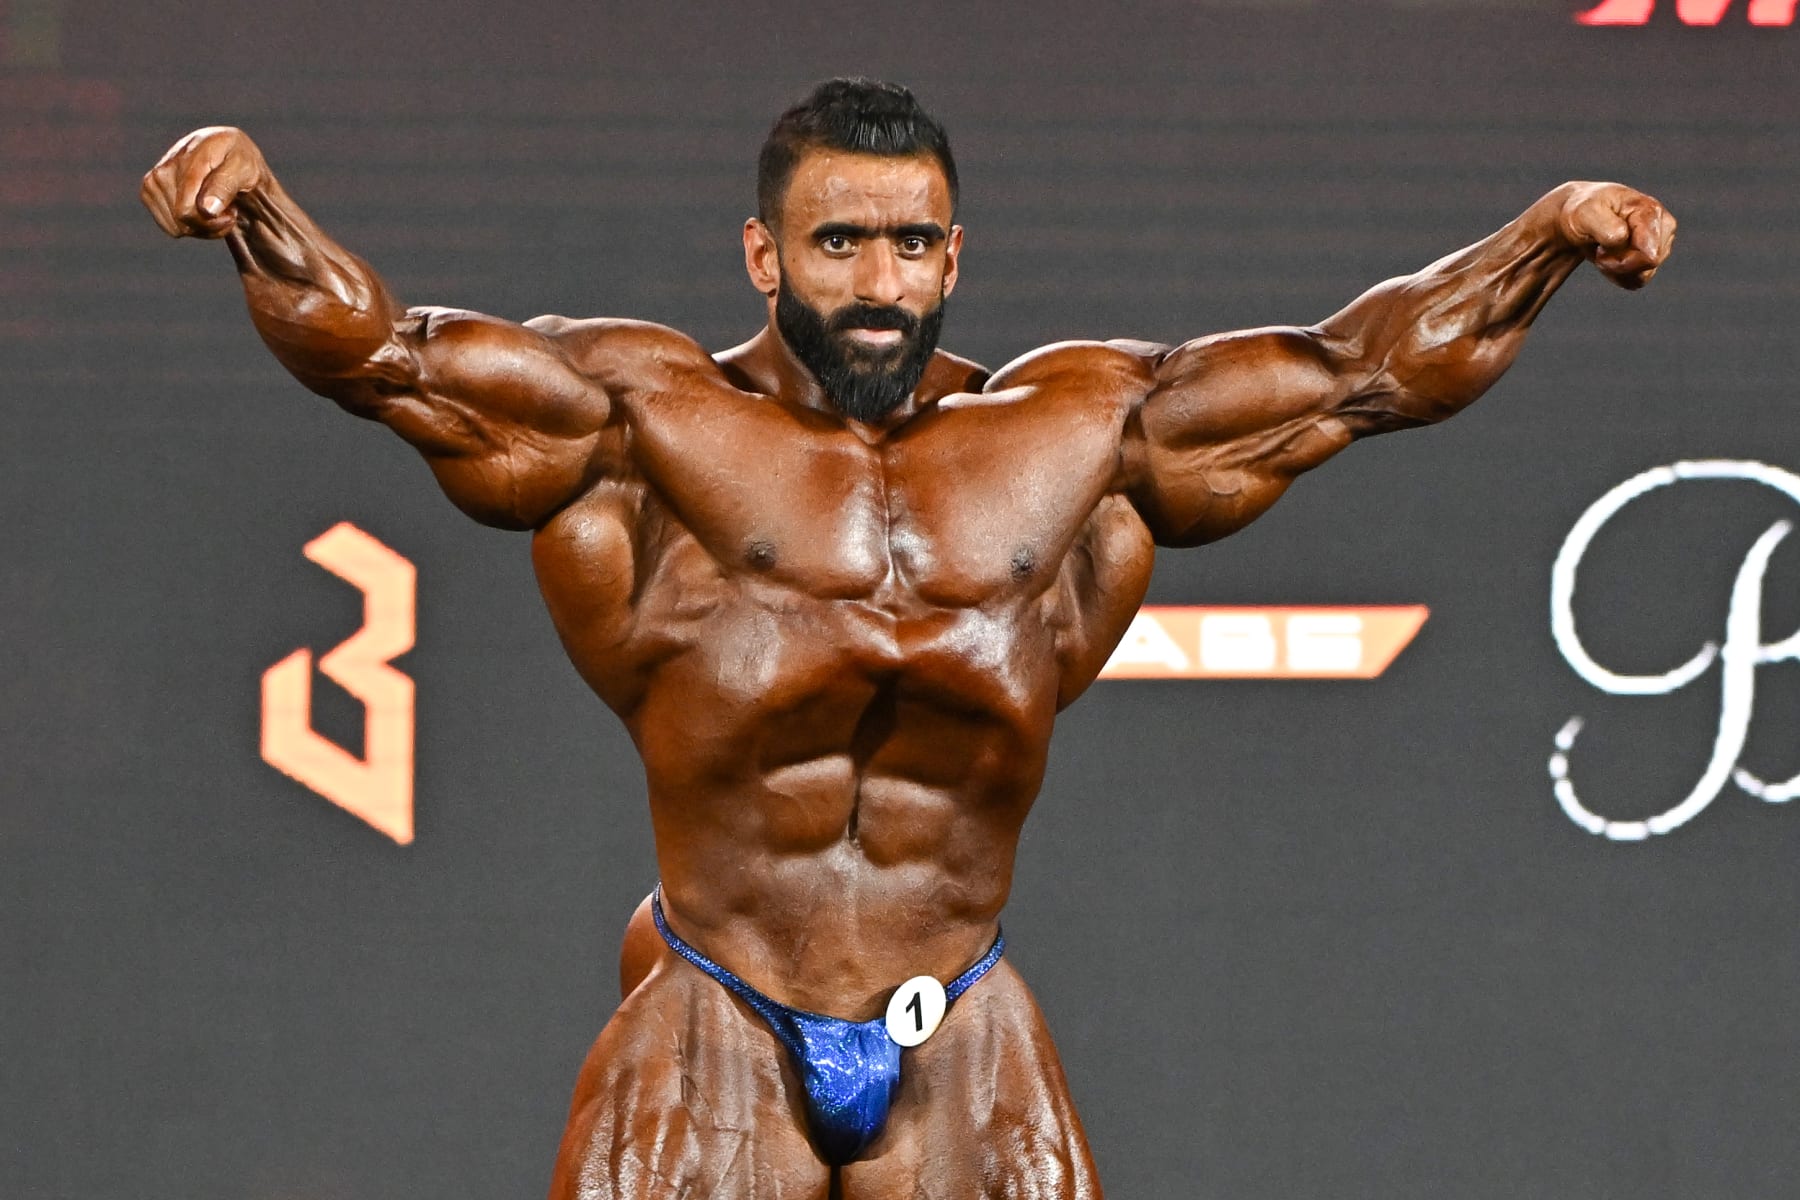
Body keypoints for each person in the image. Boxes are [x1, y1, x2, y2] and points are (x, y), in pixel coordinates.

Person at [140, 77, 1674, 1200]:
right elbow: (388, 357)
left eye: (912, 248)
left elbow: (1359, 373)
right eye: (839, 247)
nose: (879, 287)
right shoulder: (644, 420)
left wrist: (1541, 239)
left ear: (956, 256)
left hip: (964, 1015)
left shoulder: (1078, 431)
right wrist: (256, 208)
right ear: (763, 255)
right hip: (723, 1006)